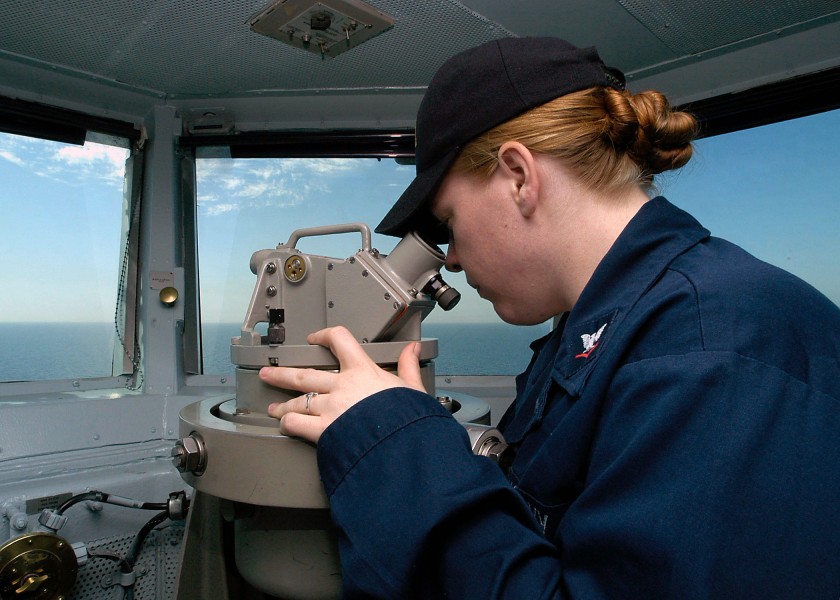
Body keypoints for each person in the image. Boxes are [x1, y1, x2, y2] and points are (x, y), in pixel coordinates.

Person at [259, 37, 840, 598]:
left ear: (518, 177)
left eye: (449, 221)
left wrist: (396, 444)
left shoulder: (711, 349)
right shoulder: (615, 331)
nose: (453, 258)